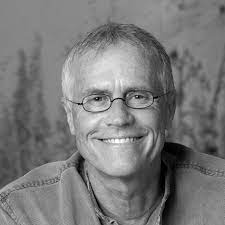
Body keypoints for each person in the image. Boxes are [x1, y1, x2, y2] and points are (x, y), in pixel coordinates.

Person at [0, 23, 225, 225]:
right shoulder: (19, 214)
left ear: (169, 108)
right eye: (97, 99)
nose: (119, 118)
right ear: (70, 116)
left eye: (138, 96)